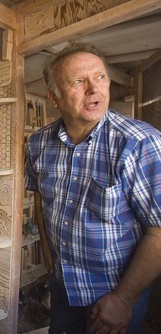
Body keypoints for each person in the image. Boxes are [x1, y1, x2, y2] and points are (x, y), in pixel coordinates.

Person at [25, 43, 161, 334]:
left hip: (115, 291)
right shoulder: (38, 144)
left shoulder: (139, 143)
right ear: (54, 98)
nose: (93, 89)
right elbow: (41, 203)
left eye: (100, 77)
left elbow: (159, 231)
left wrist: (124, 300)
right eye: (78, 81)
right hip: (64, 284)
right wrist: (51, 266)